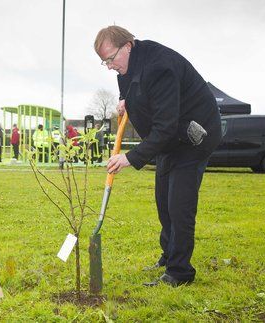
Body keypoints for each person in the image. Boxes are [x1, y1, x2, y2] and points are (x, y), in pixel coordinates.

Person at [95, 26, 221, 286]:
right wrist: (123, 100)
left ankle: (179, 272)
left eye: (110, 59)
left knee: (179, 205)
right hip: (167, 139)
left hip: (193, 136)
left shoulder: (159, 67)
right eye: (104, 61)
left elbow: (166, 125)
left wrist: (130, 158)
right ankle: (168, 255)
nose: (108, 66)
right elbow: (129, 88)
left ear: (127, 46)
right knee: (163, 201)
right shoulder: (127, 66)